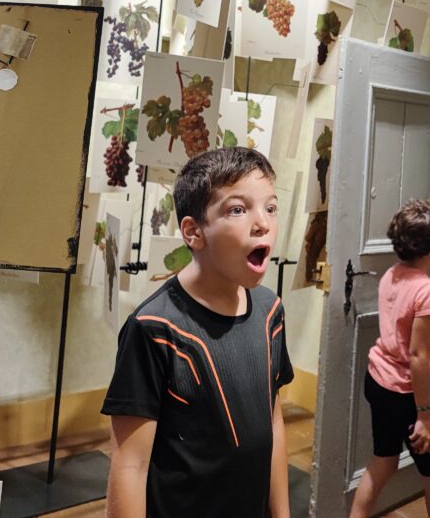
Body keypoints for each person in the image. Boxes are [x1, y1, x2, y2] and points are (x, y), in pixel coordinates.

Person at [103, 147, 293, 518]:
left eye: (270, 207)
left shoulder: (270, 311)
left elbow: (273, 420)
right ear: (193, 232)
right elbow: (129, 465)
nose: (263, 223)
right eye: (238, 209)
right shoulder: (155, 329)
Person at [350, 197, 430, 518]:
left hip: (378, 381)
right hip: (404, 395)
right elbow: (418, 356)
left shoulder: (393, 274)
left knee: (383, 461)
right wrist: (424, 415)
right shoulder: (428, 292)